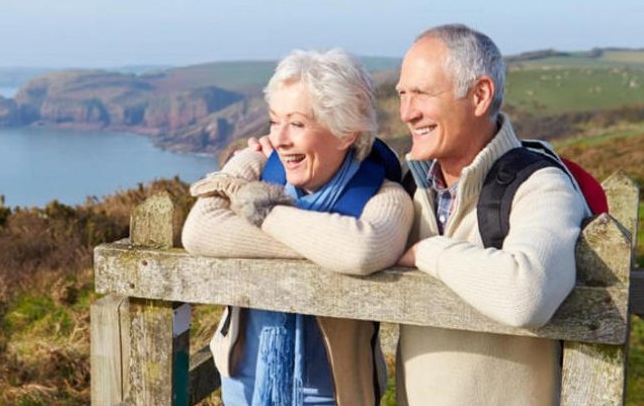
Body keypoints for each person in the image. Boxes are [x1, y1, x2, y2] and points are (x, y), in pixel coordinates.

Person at [182, 48, 413, 405]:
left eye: (298, 124)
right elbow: (199, 230)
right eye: (275, 121)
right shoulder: (263, 172)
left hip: (332, 395)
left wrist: (260, 211)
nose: (280, 139)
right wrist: (250, 159)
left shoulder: (384, 197)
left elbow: (360, 250)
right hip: (244, 385)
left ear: (346, 132)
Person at [394, 24, 590, 405]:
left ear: (480, 95)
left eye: (421, 94)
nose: (406, 113)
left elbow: (526, 296)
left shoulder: (539, 184)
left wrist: (427, 252)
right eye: (402, 94)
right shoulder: (409, 183)